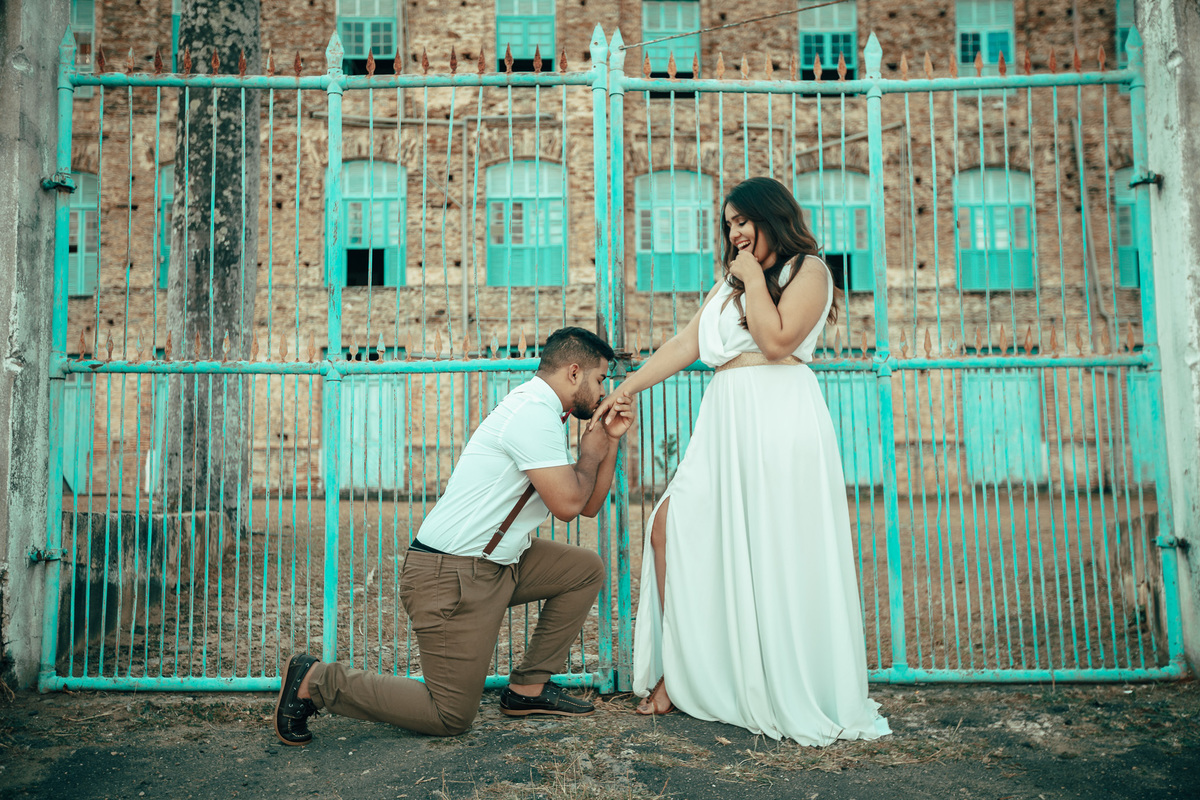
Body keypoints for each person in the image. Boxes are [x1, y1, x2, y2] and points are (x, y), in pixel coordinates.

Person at [591, 177, 891, 745]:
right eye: (728, 225)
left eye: (742, 221)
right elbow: (686, 344)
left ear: (770, 216)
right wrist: (624, 388)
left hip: (779, 419)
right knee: (668, 525)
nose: (734, 233)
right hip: (724, 419)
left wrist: (752, 277)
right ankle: (684, 671)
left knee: (772, 550)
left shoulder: (809, 271)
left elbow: (776, 343)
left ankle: (752, 679)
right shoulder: (729, 284)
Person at [274, 327, 634, 744]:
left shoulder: (544, 412)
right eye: (600, 379)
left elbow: (588, 505)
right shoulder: (532, 415)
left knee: (584, 569)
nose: (603, 391)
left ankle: (529, 688)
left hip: (496, 564)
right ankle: (315, 681)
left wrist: (608, 441)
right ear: (574, 372)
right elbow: (569, 506)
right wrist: (589, 454)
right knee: (449, 716)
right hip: (450, 576)